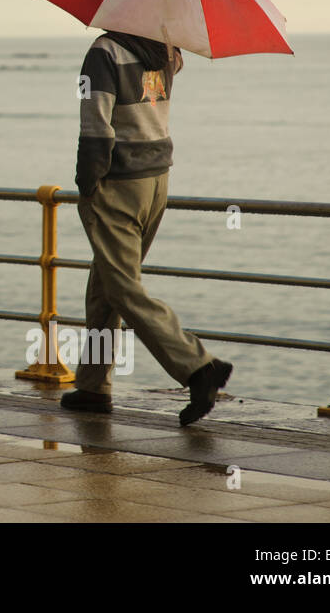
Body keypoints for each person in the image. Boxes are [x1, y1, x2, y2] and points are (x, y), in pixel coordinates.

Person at [61, 31, 231, 426]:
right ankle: (92, 386)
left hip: (118, 181)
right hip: (156, 180)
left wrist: (88, 183)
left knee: (122, 286)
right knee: (107, 284)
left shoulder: (105, 52)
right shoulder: (167, 49)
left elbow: (97, 127)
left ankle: (198, 365)